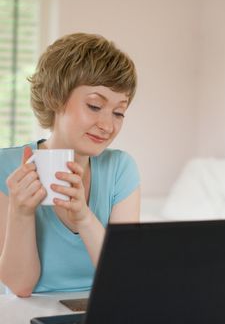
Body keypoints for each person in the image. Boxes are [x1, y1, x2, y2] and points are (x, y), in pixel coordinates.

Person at [0, 33, 140, 297]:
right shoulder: (6, 167)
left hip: (101, 309)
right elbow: (20, 286)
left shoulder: (121, 169)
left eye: (119, 112)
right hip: (31, 313)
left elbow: (124, 278)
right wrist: (21, 212)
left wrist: (84, 217)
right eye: (95, 106)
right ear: (55, 97)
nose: (108, 126)